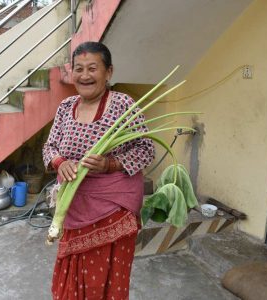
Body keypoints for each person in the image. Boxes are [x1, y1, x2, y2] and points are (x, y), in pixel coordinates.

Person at [42, 41, 155, 299]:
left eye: (92, 68)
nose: (84, 75)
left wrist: (109, 164)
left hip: (113, 208)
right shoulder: (65, 107)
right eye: (78, 69)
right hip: (73, 207)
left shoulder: (123, 105)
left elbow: (146, 149)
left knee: (107, 281)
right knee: (72, 275)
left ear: (109, 72)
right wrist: (60, 162)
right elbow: (49, 147)